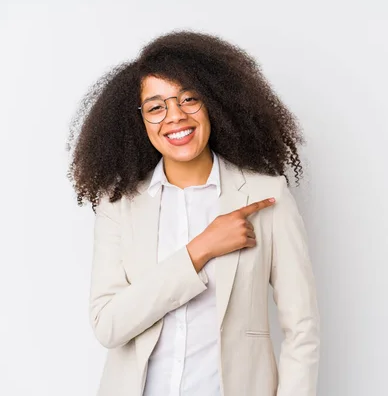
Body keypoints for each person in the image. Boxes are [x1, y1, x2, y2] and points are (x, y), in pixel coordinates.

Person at [66, 30, 320, 396]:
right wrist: (200, 249)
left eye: (189, 99)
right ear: (138, 121)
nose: (175, 117)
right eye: (156, 107)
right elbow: (108, 325)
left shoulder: (266, 196)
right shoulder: (119, 204)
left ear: (213, 103)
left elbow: (303, 329)